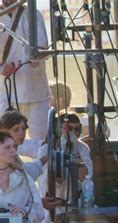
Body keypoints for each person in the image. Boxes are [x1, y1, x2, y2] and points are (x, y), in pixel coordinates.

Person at [0, 0, 49, 139]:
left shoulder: (32, 14)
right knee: (3, 141)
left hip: (34, 90)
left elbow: (42, 47)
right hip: (5, 92)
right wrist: (2, 68)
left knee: (41, 141)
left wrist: (36, 58)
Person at [0, 110, 46, 180]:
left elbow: (24, 172)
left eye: (23, 129)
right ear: (4, 131)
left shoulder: (13, 153)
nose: (21, 133)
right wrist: (46, 158)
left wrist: (46, 156)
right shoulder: (4, 155)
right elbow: (24, 177)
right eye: (16, 130)